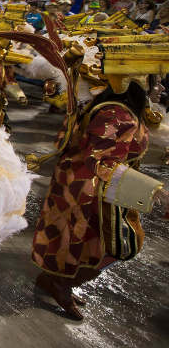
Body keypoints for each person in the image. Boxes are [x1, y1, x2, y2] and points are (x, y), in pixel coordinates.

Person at [32, 76, 169, 321]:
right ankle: (59, 284)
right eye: (154, 82)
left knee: (77, 243)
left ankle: (55, 281)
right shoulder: (118, 115)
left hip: (82, 183)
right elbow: (100, 162)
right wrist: (153, 190)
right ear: (136, 85)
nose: (160, 88)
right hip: (88, 190)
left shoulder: (113, 107)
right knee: (106, 245)